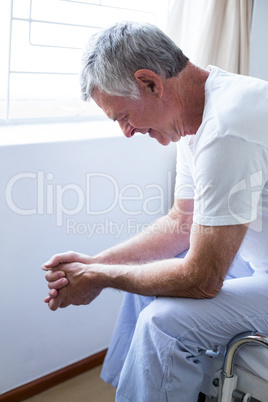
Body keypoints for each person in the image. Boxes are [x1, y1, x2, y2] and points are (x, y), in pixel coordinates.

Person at [41, 21, 268, 401]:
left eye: (124, 116)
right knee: (139, 285)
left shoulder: (227, 126)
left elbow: (202, 278)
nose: (126, 132)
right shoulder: (195, 112)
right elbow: (182, 222)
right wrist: (96, 263)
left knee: (163, 324)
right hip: (255, 262)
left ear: (150, 83)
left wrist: (99, 276)